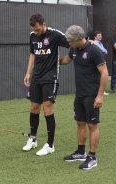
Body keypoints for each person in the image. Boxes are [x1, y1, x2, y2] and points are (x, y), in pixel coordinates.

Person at [60, 25, 108, 170]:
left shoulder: (94, 50)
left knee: (92, 125)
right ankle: (81, 152)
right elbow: (66, 60)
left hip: (92, 94)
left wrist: (100, 96)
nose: (69, 43)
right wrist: (50, 61)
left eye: (70, 41)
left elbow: (104, 73)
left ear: (80, 38)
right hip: (79, 94)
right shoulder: (74, 49)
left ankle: (92, 157)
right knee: (80, 122)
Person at [22, 13, 69, 156]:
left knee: (47, 107)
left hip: (50, 77)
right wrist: (28, 73)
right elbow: (32, 54)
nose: (36, 32)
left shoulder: (55, 35)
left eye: (38, 29)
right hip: (36, 76)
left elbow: (72, 43)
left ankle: (50, 144)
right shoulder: (32, 36)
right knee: (34, 106)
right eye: (34, 30)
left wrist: (66, 59)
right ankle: (33, 139)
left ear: (44, 24)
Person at [93, 31, 109, 96]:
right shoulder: (94, 43)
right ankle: (99, 91)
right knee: (98, 76)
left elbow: (106, 51)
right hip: (96, 63)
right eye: (99, 35)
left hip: (101, 61)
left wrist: (103, 51)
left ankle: (101, 91)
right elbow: (102, 51)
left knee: (100, 76)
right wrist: (103, 51)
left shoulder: (100, 43)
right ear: (95, 37)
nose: (100, 37)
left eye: (101, 35)